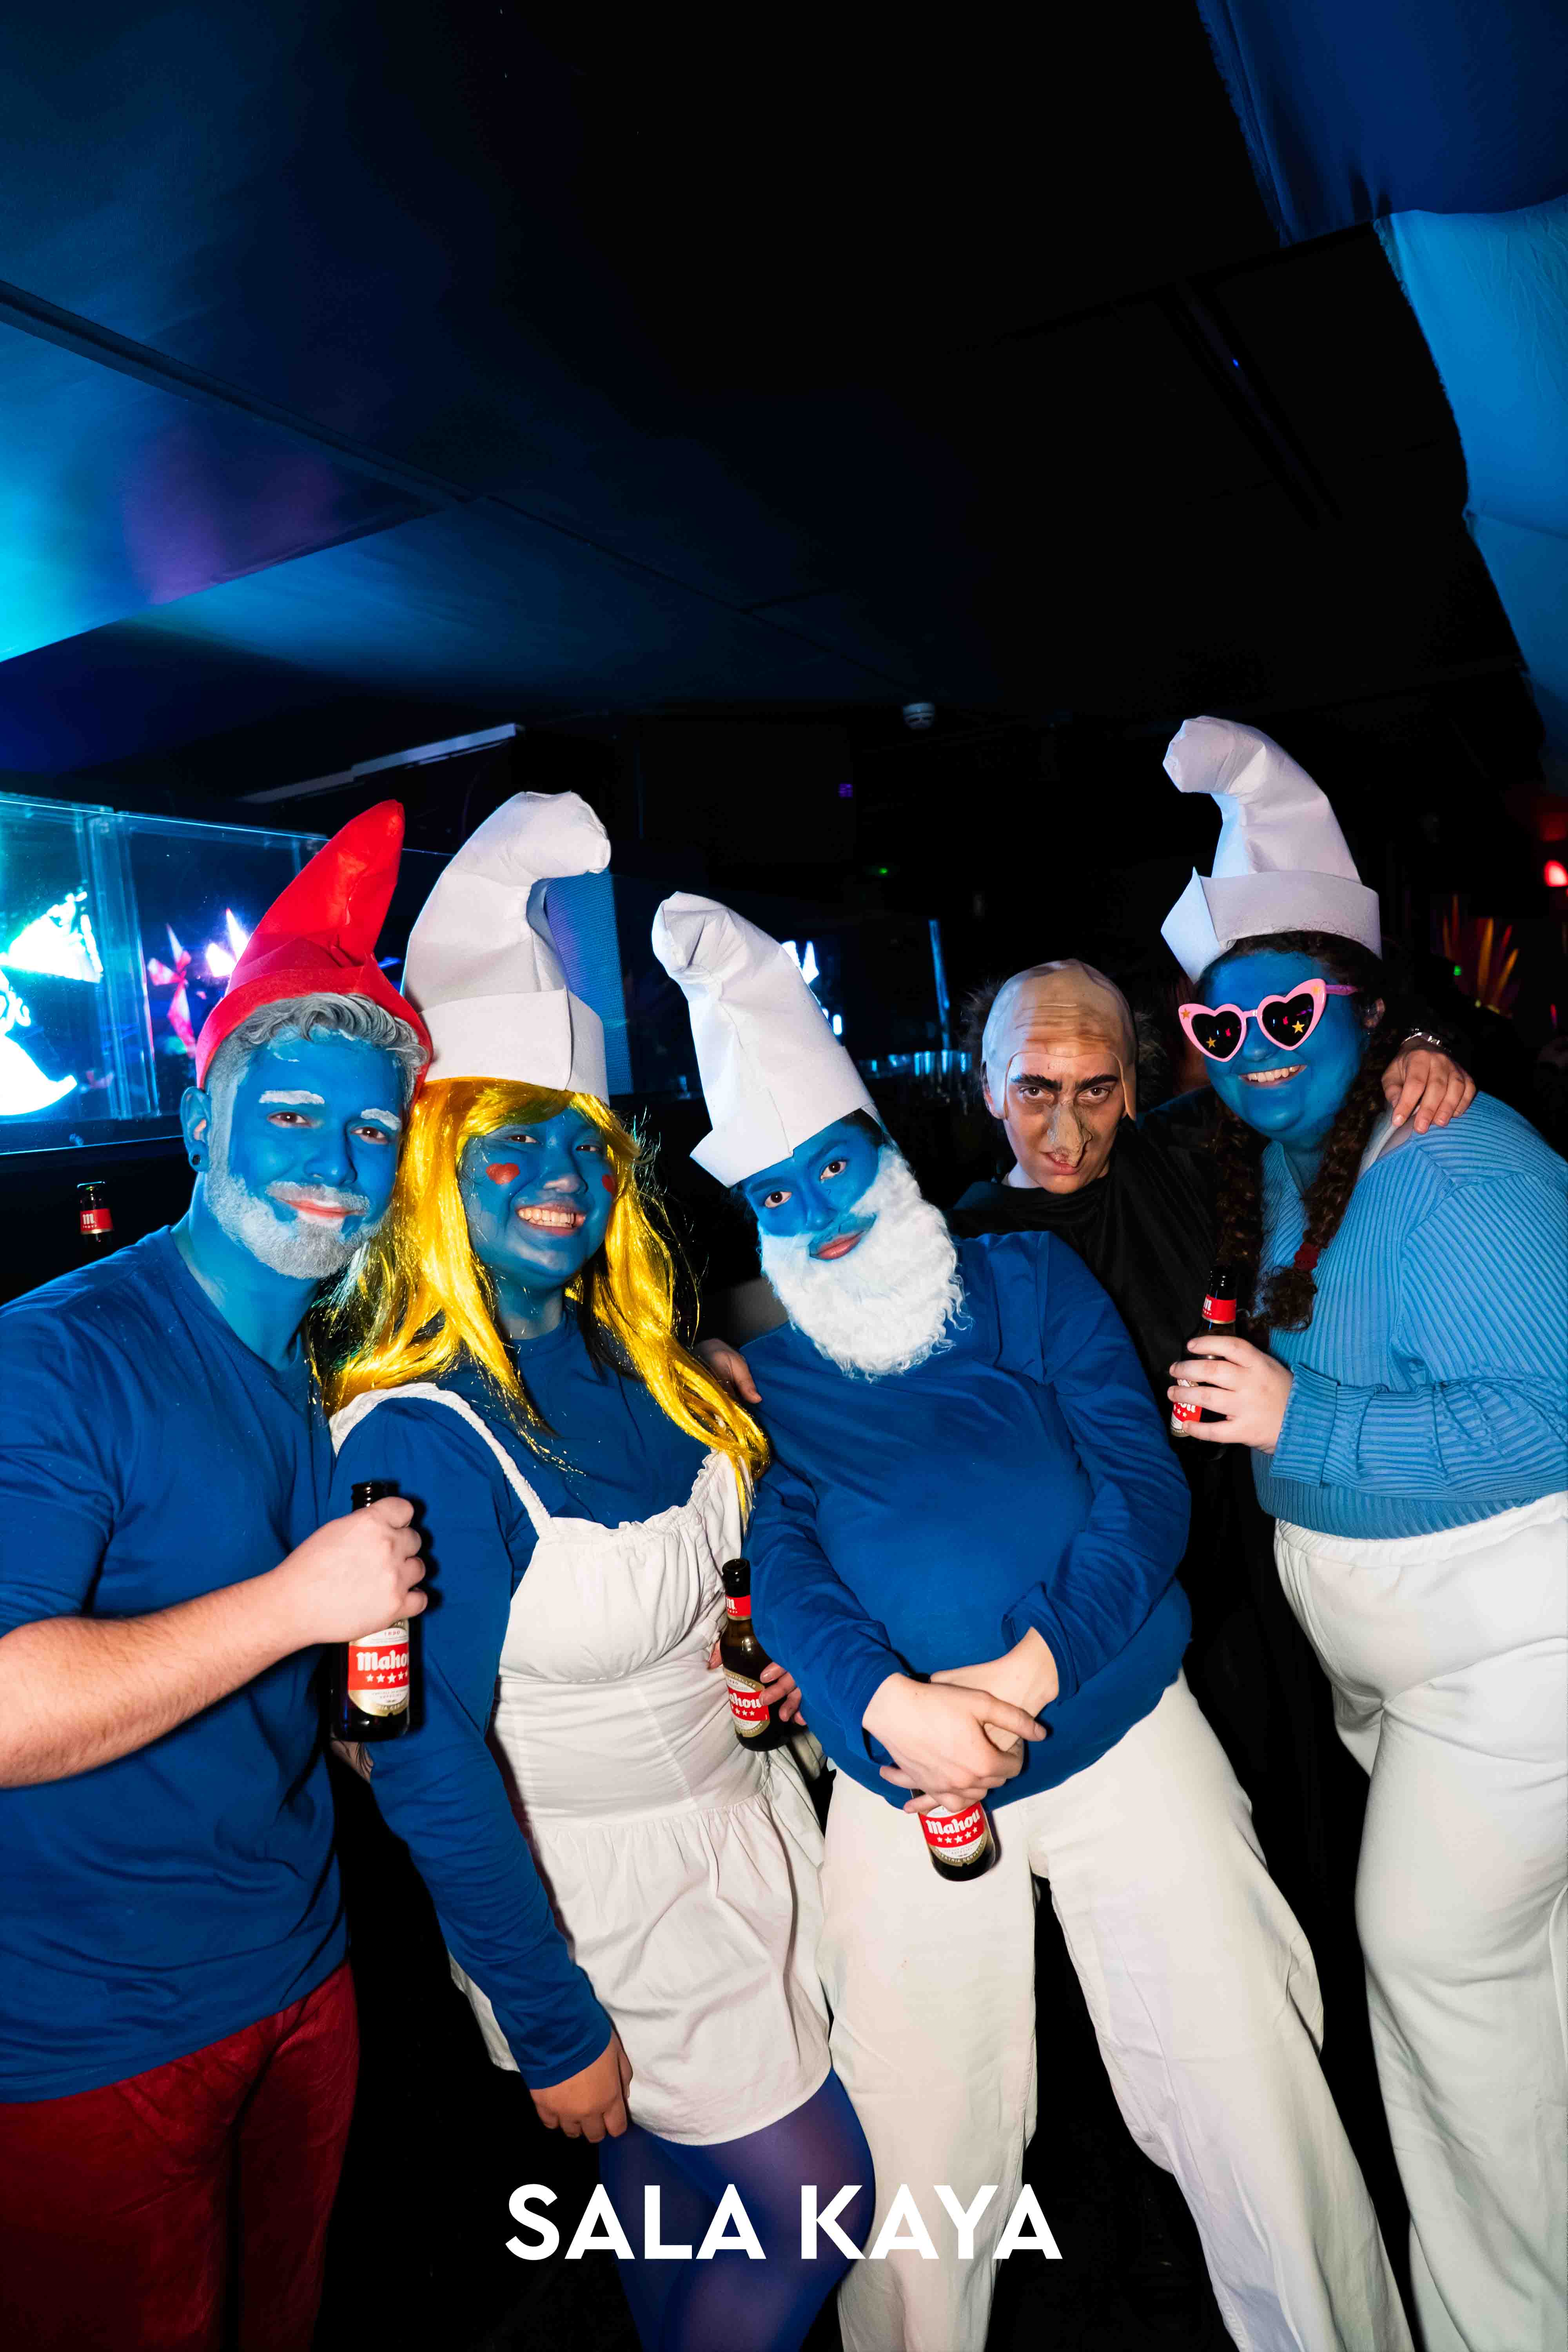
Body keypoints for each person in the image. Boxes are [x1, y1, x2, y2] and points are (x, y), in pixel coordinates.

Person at [653, 889, 1410, 2352]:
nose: (818, 1210)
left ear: (887, 1152)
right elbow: (787, 1559)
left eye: (836, 1169)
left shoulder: (1028, 1278)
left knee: (1254, 2090)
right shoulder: (769, 1373)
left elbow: (1141, 1494)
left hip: (1126, 1724)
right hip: (906, 1781)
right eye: (780, 1196)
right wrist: (891, 1709)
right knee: (920, 2154)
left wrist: (1029, 1665)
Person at [315, 793, 872, 2352]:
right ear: (437, 1170)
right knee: (814, 2205)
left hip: (751, 1840)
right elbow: (416, 1764)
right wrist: (552, 2024)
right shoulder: (417, 1437)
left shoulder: (661, 1368)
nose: (562, 1173)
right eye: (511, 1145)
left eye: (585, 1141)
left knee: (676, 2239)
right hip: (594, 1907)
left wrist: (753, 1661)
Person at [1157, 717, 1568, 2352]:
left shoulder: (1453, 1163)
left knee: (1436, 1975)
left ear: (1363, 1001)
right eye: (1218, 1018)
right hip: (1427, 1679)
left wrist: (1299, 1427)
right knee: (1511, 1999)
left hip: (1514, 1663)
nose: (1252, 1042)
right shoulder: (1298, 1152)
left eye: (1287, 1008)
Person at [0, 805, 430, 2352]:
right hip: (87, 2033)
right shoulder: (55, 1356)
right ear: (203, 1124)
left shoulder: (321, 1365)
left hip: (302, 1963)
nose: (334, 1164)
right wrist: (297, 1608)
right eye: (294, 1116)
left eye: (371, 1131)